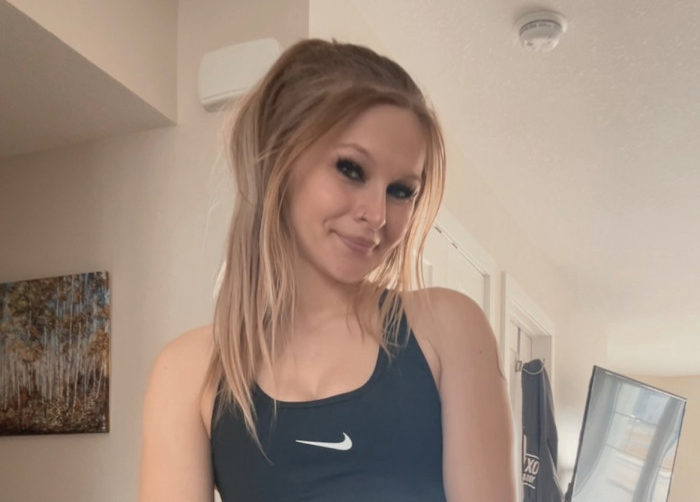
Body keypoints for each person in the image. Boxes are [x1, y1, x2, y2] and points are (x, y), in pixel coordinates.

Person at [139, 39, 515, 502]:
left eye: (401, 190)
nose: (377, 214)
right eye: (351, 170)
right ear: (280, 159)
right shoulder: (189, 372)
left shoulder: (447, 329)